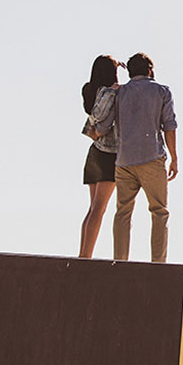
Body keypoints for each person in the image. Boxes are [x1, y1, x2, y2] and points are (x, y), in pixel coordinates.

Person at [95, 52, 178, 263]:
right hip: (152, 158)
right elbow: (169, 126)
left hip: (124, 162)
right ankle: (158, 264)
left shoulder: (120, 93)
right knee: (159, 212)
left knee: (122, 213)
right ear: (150, 69)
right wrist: (174, 158)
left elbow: (105, 126)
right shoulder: (161, 91)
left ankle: (120, 261)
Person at [79, 55, 121, 258]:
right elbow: (100, 115)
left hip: (94, 152)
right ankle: (86, 257)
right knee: (99, 208)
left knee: (93, 208)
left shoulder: (89, 90)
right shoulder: (110, 93)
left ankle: (83, 254)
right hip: (108, 154)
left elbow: (91, 123)